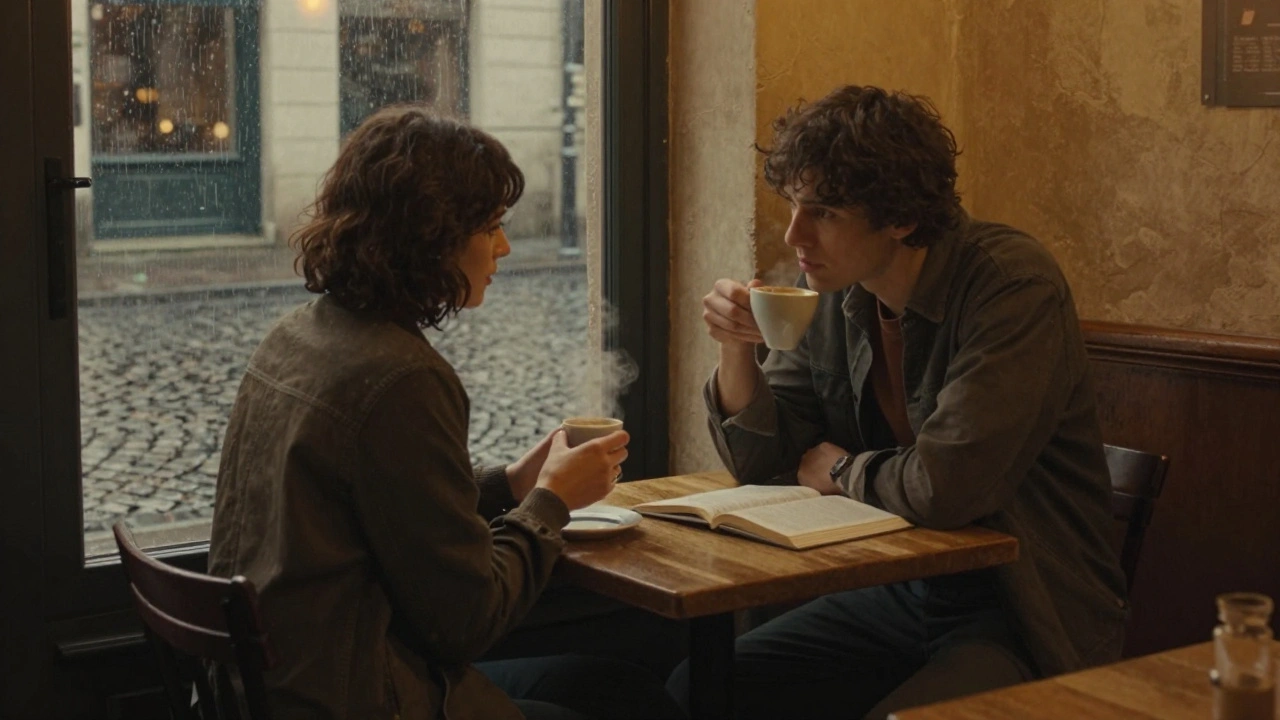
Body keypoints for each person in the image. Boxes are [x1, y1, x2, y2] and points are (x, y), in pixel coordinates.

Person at [208, 105, 683, 720]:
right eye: (490, 228)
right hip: (356, 696)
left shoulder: (299, 336)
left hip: (279, 687)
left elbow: (390, 512)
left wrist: (511, 483)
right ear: (430, 238)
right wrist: (550, 503)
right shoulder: (402, 376)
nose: (506, 247)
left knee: (619, 689)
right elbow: (467, 620)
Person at [674, 85, 1128, 719]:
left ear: (902, 217)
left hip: (1020, 606)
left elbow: (946, 486)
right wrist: (734, 347)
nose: (794, 234)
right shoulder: (838, 291)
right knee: (699, 690)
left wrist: (837, 470)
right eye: (796, 206)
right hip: (903, 589)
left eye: (824, 212)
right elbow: (762, 459)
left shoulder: (1010, 285)